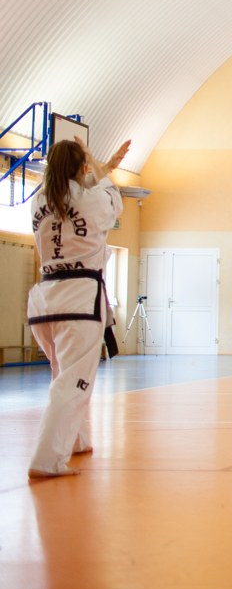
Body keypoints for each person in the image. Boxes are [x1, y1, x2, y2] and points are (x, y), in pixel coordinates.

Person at [27, 137, 130, 478]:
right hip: (79, 300)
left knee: (63, 374)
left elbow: (80, 188)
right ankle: (47, 460)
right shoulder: (93, 199)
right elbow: (106, 194)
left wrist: (101, 165)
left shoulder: (38, 200)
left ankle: (76, 440)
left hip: (45, 300)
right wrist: (102, 166)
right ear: (83, 168)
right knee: (73, 382)